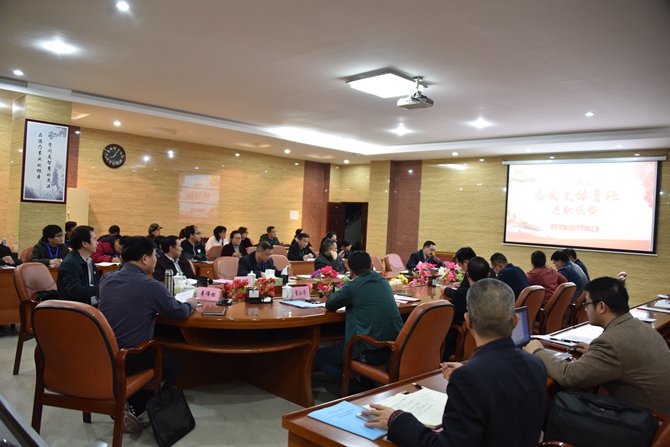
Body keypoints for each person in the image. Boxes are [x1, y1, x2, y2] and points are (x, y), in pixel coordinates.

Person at [364, 279, 547, 447]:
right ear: (515, 321)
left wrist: (397, 419)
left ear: (468, 322)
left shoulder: (470, 377)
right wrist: (469, 374)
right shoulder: (536, 363)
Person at [524, 277, 670, 415]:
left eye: (586, 304)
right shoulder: (640, 327)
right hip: (656, 413)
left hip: (645, 421)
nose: (585, 309)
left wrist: (538, 351)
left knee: (559, 404)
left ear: (601, 307)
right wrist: (595, 352)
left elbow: (569, 376)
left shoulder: (611, 342)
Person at [99, 236, 195, 432]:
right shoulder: (151, 286)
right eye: (154, 256)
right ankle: (135, 406)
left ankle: (129, 400)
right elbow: (178, 312)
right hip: (130, 355)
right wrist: (191, 304)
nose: (156, 260)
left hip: (104, 352)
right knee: (174, 367)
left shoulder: (106, 279)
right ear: (144, 258)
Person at [313, 251, 404, 393]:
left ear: (350, 271)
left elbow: (330, 304)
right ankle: (367, 384)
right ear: (372, 266)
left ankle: (356, 390)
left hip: (371, 352)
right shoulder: (383, 281)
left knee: (319, 356)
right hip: (393, 348)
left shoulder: (353, 287)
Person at [443, 256, 491, 360]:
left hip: (458, 341)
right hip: (486, 344)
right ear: (488, 275)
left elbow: (450, 318)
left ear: (467, 274)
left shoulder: (462, 294)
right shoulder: (492, 294)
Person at [56, 225, 100, 306]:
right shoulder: (70, 263)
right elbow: (74, 291)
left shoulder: (89, 260)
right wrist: (101, 288)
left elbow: (96, 283)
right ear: (84, 243)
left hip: (91, 305)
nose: (97, 243)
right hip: (76, 308)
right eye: (94, 239)